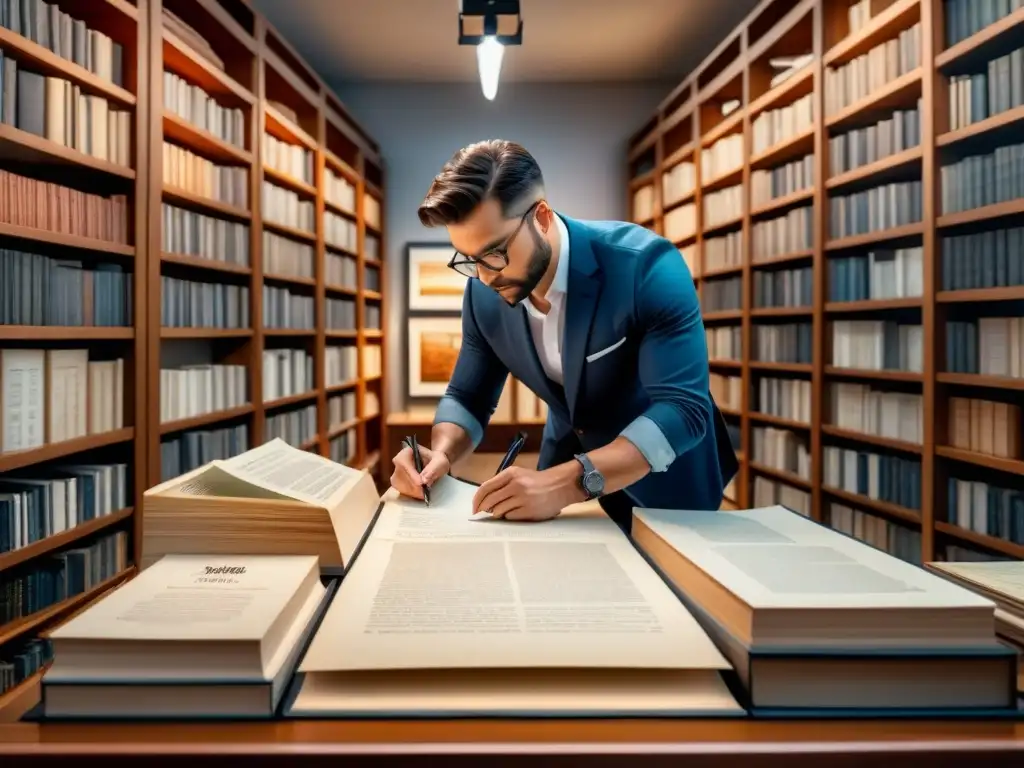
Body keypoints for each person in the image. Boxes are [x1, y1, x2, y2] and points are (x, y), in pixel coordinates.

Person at [390, 139, 738, 532]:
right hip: (560, 489)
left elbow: (684, 409)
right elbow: (468, 396)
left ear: (541, 217)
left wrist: (566, 482)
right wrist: (440, 455)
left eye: (494, 254)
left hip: (666, 488)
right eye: (468, 260)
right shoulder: (482, 294)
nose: (484, 276)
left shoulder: (646, 266)